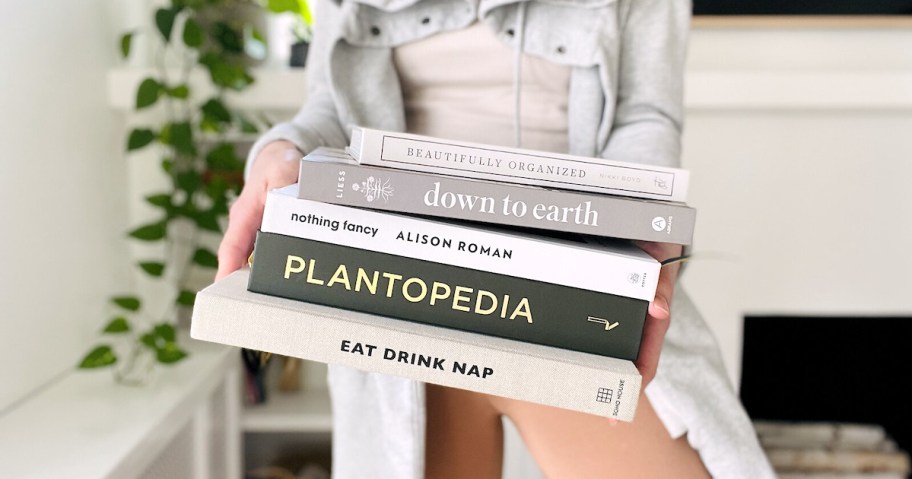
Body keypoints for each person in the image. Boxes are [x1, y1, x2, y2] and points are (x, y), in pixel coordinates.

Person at [217, 0, 776, 477]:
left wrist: (639, 223)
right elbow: (329, 105)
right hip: (399, 293)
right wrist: (281, 148)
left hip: (574, 286)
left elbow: (646, 114)